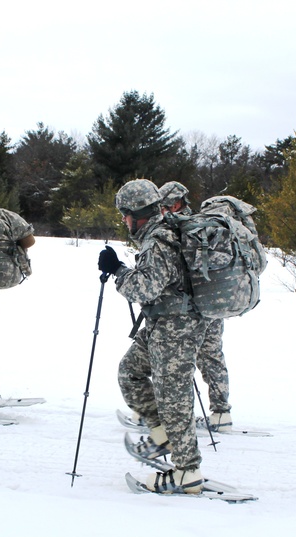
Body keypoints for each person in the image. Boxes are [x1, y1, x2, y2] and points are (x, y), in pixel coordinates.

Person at [99, 179, 210, 494]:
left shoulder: (158, 240)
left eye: (125, 214)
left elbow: (145, 287)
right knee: (130, 372)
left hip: (176, 329)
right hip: (162, 325)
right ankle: (164, 437)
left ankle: (187, 473)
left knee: (173, 397)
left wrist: (118, 271)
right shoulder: (160, 234)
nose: (123, 221)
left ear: (137, 213)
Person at [159, 181, 233, 432]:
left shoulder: (179, 229)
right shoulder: (203, 229)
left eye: (164, 205)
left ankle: (173, 415)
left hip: (189, 310)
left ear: (176, 203)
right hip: (211, 304)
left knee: (177, 362)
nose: (160, 210)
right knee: (211, 356)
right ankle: (221, 413)